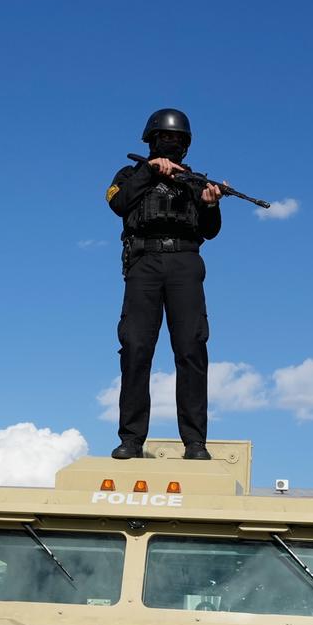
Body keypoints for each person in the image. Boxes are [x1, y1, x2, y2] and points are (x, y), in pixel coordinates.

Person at [106, 108, 223, 461]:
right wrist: (150, 170)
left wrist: (210, 204)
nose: (170, 143)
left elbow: (210, 231)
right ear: (152, 140)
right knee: (136, 348)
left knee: (191, 349)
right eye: (165, 137)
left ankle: (195, 442)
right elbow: (119, 203)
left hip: (185, 264)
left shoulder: (196, 181)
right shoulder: (129, 173)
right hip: (144, 263)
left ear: (185, 146)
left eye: (177, 139)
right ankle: (131, 439)